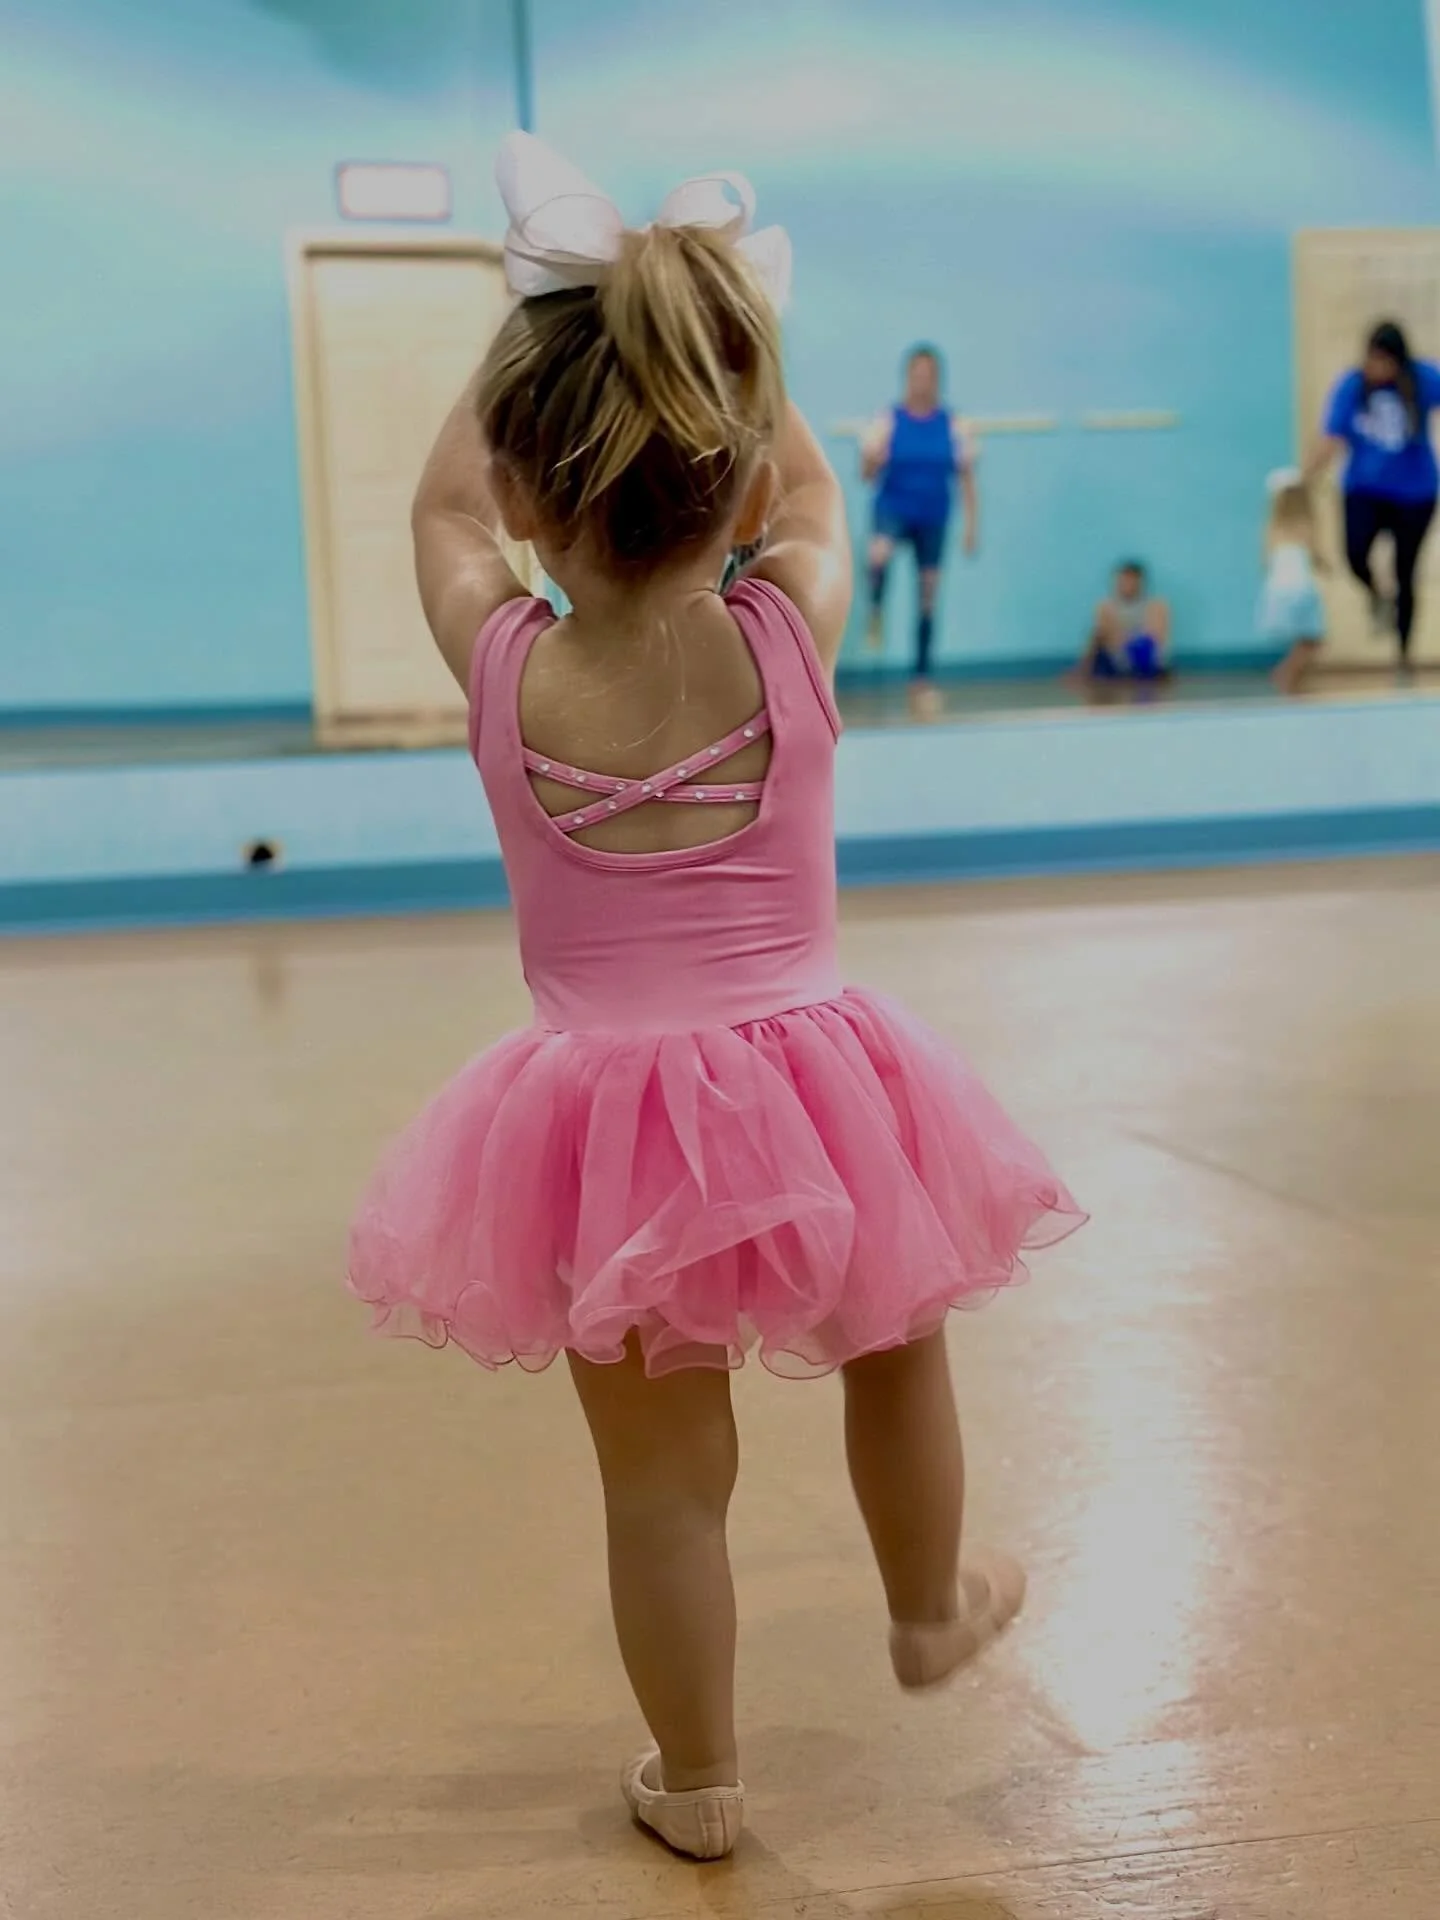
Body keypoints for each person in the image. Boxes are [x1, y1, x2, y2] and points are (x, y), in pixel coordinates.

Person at [348, 133, 1082, 1863]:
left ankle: (701, 1779)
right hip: (823, 1091)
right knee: (899, 1353)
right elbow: (808, 494)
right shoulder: (788, 627)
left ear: (529, 483)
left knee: (664, 1481)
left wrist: (531, 318)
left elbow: (441, 510)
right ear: (740, 477)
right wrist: (721, 321)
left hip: (603, 1124)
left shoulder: (505, 660)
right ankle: (926, 1603)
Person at [1305, 319, 1440, 672]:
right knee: (1354, 552)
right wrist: (1304, 477)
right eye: (1372, 360)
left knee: (1406, 570)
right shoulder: (1352, 386)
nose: (1376, 369)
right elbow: (1332, 438)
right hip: (1364, 489)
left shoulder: (1423, 379)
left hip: (1415, 493)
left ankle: (1403, 654)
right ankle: (1378, 595)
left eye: (1384, 362)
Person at [862, 346, 980, 713]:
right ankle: (877, 606)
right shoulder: (889, 420)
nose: (922, 381)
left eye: (929, 374)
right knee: (879, 552)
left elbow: (966, 481)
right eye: (916, 373)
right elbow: (866, 475)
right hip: (894, 508)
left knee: (928, 594)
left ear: (937, 379)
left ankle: (922, 675)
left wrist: (971, 527)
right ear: (907, 377)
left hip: (933, 515)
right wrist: (872, 458)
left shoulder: (954, 424)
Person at [1258, 470, 1327, 696]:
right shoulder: (1307, 525)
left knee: (1303, 639)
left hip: (1277, 590)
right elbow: (1317, 556)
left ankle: (1292, 678)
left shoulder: (1272, 528)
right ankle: (1286, 672)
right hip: (1302, 589)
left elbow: (1265, 561)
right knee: (1312, 639)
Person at [1074, 560, 1171, 684]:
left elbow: (1156, 638)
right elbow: (1102, 637)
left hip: (1146, 659)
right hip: (1117, 659)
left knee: (1142, 645)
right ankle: (1083, 671)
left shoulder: (1157, 606)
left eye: (1131, 581)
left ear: (1140, 582)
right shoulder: (1106, 607)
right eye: (1123, 581)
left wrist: (1129, 638)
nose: (1127, 585)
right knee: (1097, 635)